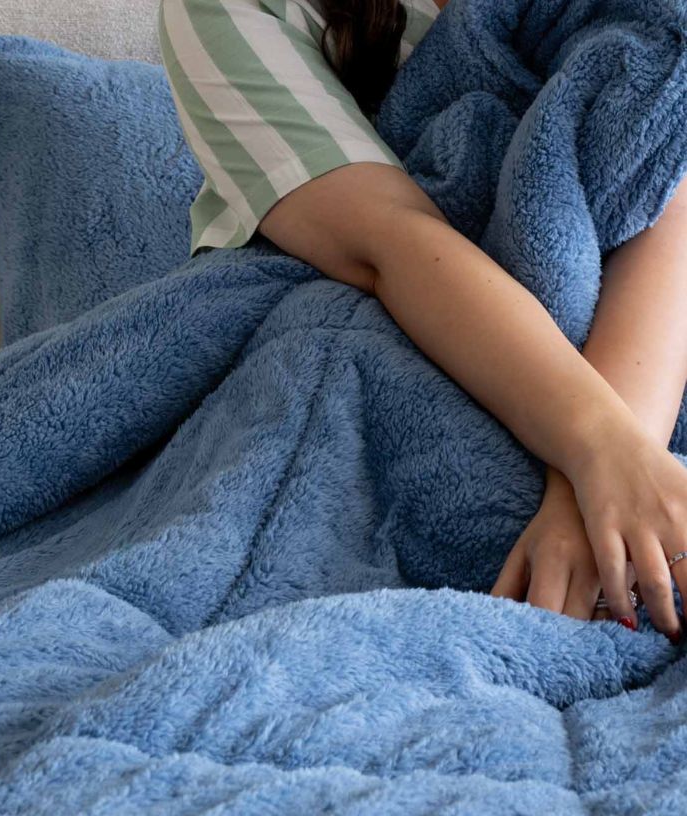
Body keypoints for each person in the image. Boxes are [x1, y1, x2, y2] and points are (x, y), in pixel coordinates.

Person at [157, 0, 687, 643]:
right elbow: (390, 243)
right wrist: (602, 450)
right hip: (395, 347)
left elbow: (663, 182)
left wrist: (613, 484)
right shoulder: (227, 10)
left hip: (637, 356)